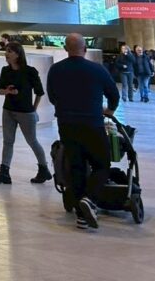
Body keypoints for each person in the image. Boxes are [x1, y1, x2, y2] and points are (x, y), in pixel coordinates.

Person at [46, 33, 119, 230]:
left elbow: (52, 97)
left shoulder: (56, 70)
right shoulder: (97, 69)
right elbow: (113, 94)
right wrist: (110, 110)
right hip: (92, 124)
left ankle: (81, 216)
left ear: (65, 49)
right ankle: (90, 199)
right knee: (102, 164)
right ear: (85, 48)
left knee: (76, 167)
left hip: (67, 125)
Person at [0, 42, 51, 185]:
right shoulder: (5, 70)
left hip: (26, 112)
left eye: (10, 51)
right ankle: (4, 172)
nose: (6, 54)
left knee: (32, 141)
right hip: (8, 110)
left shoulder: (30, 71)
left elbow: (39, 92)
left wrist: (33, 109)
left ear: (18, 54)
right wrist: (7, 91)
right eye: (6, 51)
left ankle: (43, 169)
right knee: (8, 141)